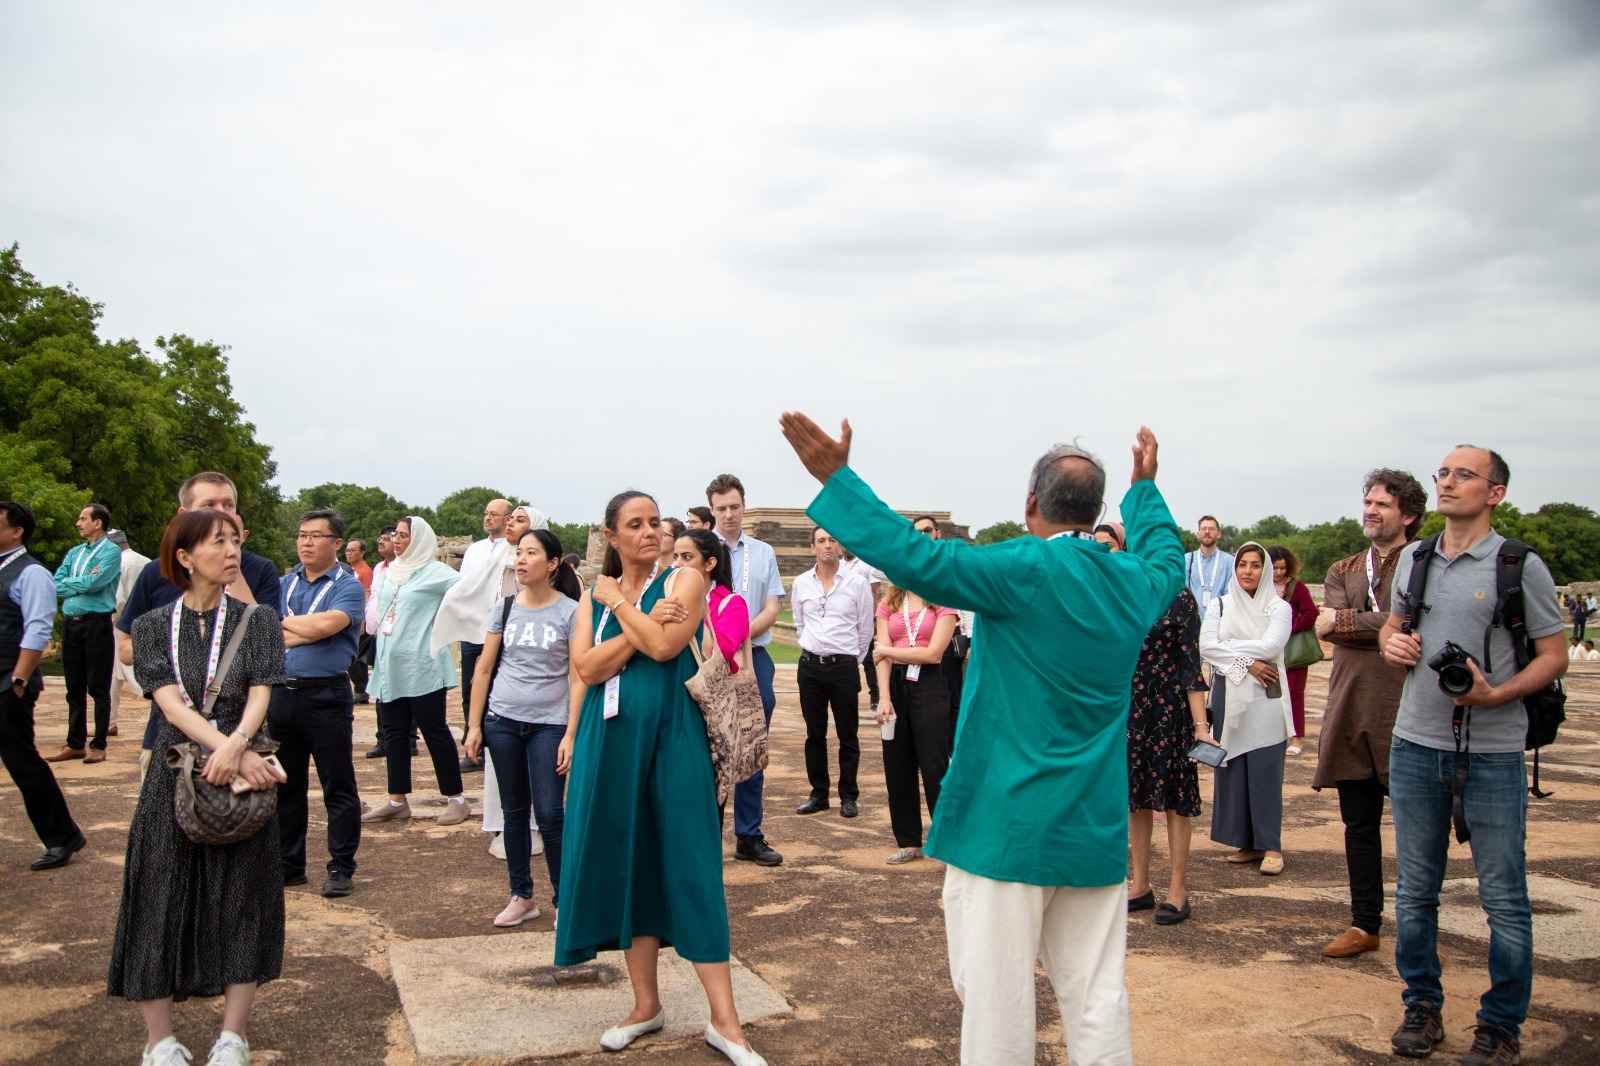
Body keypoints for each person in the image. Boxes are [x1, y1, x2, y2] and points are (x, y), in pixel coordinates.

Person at [782, 412, 1181, 1066]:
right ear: (1094, 510)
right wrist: (1146, 489)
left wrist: (837, 478)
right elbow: (1166, 555)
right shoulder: (1132, 581)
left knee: (995, 1008)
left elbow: (915, 555)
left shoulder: (1020, 568)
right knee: (1098, 1001)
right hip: (1092, 825)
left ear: (1031, 504)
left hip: (1007, 829)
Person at [558, 491, 767, 1065]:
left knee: (691, 865)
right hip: (611, 742)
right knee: (631, 864)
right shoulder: (591, 598)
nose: (650, 532)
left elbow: (665, 644)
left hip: (674, 740)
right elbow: (586, 667)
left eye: (655, 522)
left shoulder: (684, 582)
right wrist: (633, 621)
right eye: (635, 524)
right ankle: (644, 1005)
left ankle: (726, 1023)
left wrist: (627, 616)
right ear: (612, 535)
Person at [1380, 445, 1565, 1063]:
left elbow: (1553, 655)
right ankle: (1421, 1008)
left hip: (1493, 751)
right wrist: (1392, 645)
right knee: (1414, 892)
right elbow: (1394, 623)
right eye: (1443, 473)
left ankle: (1501, 1024)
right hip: (1414, 743)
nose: (1448, 482)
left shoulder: (1520, 564)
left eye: (1464, 474)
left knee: (1504, 896)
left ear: (1495, 493)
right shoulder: (1416, 556)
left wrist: (1497, 694)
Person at [112, 508, 288, 1066]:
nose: (231, 550)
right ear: (185, 557)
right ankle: (159, 1040)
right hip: (174, 774)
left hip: (240, 768)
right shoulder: (150, 625)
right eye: (218, 542)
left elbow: (262, 690)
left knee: (244, 896)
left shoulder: (257, 619)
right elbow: (166, 699)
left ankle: (232, 1035)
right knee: (157, 896)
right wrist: (228, 751)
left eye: (235, 540)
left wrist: (237, 745)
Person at [1312, 467, 1427, 960]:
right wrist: (1379, 626)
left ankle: (1421, 925)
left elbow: (1424, 622)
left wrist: (1350, 622)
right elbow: (1326, 624)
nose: (1371, 511)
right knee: (1358, 824)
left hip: (1408, 708)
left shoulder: (1425, 562)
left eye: (1382, 504)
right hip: (1351, 705)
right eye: (1369, 503)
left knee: (1418, 827)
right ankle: (1364, 923)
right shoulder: (1344, 568)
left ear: (1409, 514)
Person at [117, 473, 282, 775]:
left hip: (244, 743)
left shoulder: (260, 573)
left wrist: (232, 568)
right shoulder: (155, 577)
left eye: (228, 505)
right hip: (171, 742)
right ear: (184, 518)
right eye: (209, 505)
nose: (221, 512)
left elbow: (264, 650)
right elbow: (126, 648)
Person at [463, 529, 582, 928]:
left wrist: (571, 733)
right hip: (503, 720)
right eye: (519, 552)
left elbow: (578, 676)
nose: (521, 559)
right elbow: (483, 667)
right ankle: (522, 895)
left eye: (531, 553)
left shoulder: (570, 611)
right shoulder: (506, 606)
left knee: (549, 814)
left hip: (549, 724)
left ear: (552, 564)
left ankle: (566, 899)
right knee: (513, 812)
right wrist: (474, 725)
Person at [435, 506, 546, 857]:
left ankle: (535, 825)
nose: (511, 523)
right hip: (502, 675)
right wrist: (473, 724)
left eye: (520, 520)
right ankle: (504, 823)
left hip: (540, 688)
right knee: (502, 755)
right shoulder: (494, 563)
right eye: (510, 519)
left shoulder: (551, 581)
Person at [1115, 520, 1208, 926]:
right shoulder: (1123, 591)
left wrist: (1201, 727)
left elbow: (1191, 664)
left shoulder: (1181, 598)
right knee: (1134, 799)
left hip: (1169, 710)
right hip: (1130, 707)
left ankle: (1177, 889)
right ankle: (1140, 884)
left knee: (1173, 803)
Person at [271, 508, 368, 899]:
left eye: (316, 536)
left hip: (325, 694)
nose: (306, 542)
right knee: (284, 783)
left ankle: (341, 866)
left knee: (337, 783)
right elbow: (263, 625)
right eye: (302, 535)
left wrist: (288, 628)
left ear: (336, 543)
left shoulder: (348, 585)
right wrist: (303, 630)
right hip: (281, 692)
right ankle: (288, 864)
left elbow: (330, 625)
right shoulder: (284, 582)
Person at [361, 515, 470, 826]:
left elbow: (469, 593)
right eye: (395, 534)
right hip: (390, 664)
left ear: (420, 539)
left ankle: (456, 798)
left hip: (422, 664)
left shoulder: (437, 574)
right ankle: (397, 798)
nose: (397, 539)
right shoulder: (391, 571)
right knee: (394, 733)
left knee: (433, 730)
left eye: (404, 535)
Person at [0, 501, 87, 872]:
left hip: (8, 682)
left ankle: (62, 837)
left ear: (16, 530)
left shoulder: (32, 573)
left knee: (22, 763)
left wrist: (18, 679)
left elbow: (37, 628)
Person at [1199, 542, 1293, 876]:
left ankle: (1271, 845)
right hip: (1229, 694)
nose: (1248, 571)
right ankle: (1245, 843)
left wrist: (1232, 652)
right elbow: (1206, 645)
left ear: (1264, 569)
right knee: (1234, 768)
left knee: (1265, 769)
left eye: (1255, 565)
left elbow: (1272, 645)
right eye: (1242, 565)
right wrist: (1248, 662)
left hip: (1266, 694)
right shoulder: (1221, 605)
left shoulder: (1278, 607)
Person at [707, 473, 784, 867]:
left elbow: (773, 606)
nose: (729, 514)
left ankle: (749, 835)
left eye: (735, 506)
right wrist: (722, 640)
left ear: (744, 505)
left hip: (755, 654)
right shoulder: (701, 550)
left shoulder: (763, 551)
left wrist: (739, 633)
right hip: (710, 658)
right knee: (711, 747)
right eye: (721, 508)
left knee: (752, 744)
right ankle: (707, 833)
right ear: (712, 510)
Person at [791, 527, 875, 819]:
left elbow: (866, 629)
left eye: (832, 540)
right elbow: (800, 624)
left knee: (847, 734)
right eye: (821, 541)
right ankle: (819, 794)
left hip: (843, 666)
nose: (827, 546)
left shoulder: (856, 583)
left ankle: (848, 796)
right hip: (811, 666)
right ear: (812, 546)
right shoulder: (802, 583)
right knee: (814, 734)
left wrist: (851, 658)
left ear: (840, 545)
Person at [873, 579, 959, 864]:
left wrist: (888, 651)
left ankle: (947, 840)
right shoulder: (889, 603)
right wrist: (884, 697)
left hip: (930, 683)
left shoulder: (943, 601)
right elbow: (879, 656)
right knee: (897, 764)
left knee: (934, 764)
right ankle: (908, 841)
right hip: (895, 684)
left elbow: (933, 654)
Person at [49, 502, 121, 763]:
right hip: (72, 623)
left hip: (96, 624)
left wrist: (74, 584)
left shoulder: (111, 552)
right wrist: (76, 584)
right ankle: (75, 743)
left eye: (82, 519)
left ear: (97, 523)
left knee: (98, 686)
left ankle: (99, 744)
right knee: (73, 685)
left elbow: (94, 583)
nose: (78, 524)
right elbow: (56, 582)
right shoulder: (75, 552)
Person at [455, 498, 514, 768]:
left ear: (507, 518)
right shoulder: (475, 550)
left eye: (494, 514)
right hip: (473, 626)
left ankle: (496, 743)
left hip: (500, 627)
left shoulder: (513, 549)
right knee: (471, 687)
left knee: (497, 687)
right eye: (486, 513)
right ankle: (472, 743)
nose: (488, 518)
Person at [1269, 545, 1318, 755]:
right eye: (1275, 568)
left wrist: (1288, 629)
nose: (1279, 572)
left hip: (1293, 651)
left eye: (1282, 568)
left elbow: (1310, 613)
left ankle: (1296, 738)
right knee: (1269, 694)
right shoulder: (1262, 588)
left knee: (1294, 694)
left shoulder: (1297, 588)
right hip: (1268, 649)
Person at [109, 528, 152, 739]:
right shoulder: (145, 561)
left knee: (128, 670)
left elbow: (118, 599)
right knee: (113, 675)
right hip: (148, 620)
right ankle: (110, 721)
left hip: (122, 623)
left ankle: (159, 705)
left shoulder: (118, 563)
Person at [842, 550, 885, 712]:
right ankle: (850, 689)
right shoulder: (840, 564)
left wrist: (873, 618)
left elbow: (875, 592)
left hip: (864, 617)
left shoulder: (866, 565)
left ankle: (875, 694)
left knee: (868, 660)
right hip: (846, 619)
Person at [1184, 515, 1233, 616]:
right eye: (1203, 529)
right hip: (1191, 621)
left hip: (1220, 619)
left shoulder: (1229, 561)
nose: (1207, 532)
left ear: (1219, 534)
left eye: (1211, 529)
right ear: (1197, 534)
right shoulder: (1187, 560)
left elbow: (1231, 594)